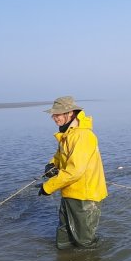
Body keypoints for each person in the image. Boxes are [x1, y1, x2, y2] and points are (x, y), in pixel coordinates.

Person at [38, 96, 108, 249]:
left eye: (57, 114)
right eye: (53, 115)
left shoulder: (82, 135)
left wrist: (48, 187)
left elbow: (74, 171)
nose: (54, 118)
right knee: (64, 238)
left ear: (70, 113)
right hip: (70, 193)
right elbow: (60, 155)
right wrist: (51, 165)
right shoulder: (68, 134)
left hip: (85, 196)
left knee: (85, 243)